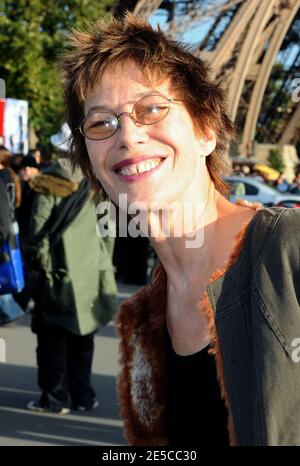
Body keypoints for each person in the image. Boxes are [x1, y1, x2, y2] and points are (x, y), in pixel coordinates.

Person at [59, 13, 300, 445]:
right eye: (100, 123)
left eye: (151, 108)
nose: (128, 136)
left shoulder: (289, 250)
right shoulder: (142, 321)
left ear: (207, 129)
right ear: (92, 163)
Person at [26, 157, 118, 414]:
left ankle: (55, 398)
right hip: (90, 275)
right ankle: (82, 396)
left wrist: (42, 264)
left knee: (51, 341)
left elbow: (37, 232)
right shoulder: (100, 186)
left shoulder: (48, 186)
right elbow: (108, 233)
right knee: (83, 339)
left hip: (58, 276)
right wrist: (102, 266)